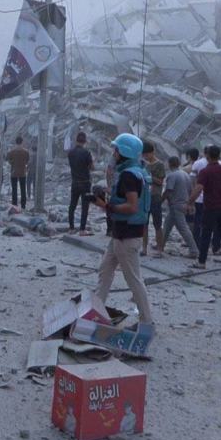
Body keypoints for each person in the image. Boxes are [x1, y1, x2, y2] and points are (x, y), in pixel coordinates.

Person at [91, 133, 155, 352]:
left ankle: (146, 322)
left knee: (134, 280)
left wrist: (106, 206)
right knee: (105, 271)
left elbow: (132, 206)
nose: (113, 153)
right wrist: (106, 195)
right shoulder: (134, 173)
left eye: (116, 150)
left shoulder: (129, 175)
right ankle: (96, 313)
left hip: (127, 235)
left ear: (124, 153)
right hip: (121, 233)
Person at [187, 145, 221, 270]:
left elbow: (198, 188)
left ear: (207, 156)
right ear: (219, 156)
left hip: (210, 206)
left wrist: (190, 202)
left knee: (206, 233)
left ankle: (201, 262)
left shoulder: (205, 171)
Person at [160, 156, 197, 258]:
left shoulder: (172, 175)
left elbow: (168, 191)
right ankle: (160, 246)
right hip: (183, 204)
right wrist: (190, 204)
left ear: (170, 164)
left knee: (183, 228)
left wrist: (160, 201)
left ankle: (194, 250)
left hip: (176, 204)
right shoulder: (185, 174)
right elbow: (191, 190)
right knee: (167, 225)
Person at [141, 141, 165, 256]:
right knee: (144, 224)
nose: (145, 157)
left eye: (146, 154)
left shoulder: (159, 164)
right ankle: (144, 248)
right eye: (144, 155)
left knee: (157, 224)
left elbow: (160, 181)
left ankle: (160, 249)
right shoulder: (144, 164)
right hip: (145, 197)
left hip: (155, 197)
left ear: (152, 152)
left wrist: (150, 177)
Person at [67, 132, 95, 235]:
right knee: (85, 206)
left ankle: (71, 228)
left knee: (72, 205)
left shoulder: (70, 153)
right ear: (85, 141)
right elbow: (92, 167)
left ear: (76, 140)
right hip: (85, 183)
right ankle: (82, 230)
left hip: (75, 182)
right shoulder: (86, 153)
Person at [6, 136, 30, 210]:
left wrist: (13, 163)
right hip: (23, 172)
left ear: (15, 142)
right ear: (22, 142)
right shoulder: (26, 152)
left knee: (14, 189)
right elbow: (27, 161)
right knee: (23, 189)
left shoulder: (11, 152)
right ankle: (23, 205)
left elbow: (9, 161)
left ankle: (14, 205)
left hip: (14, 172)